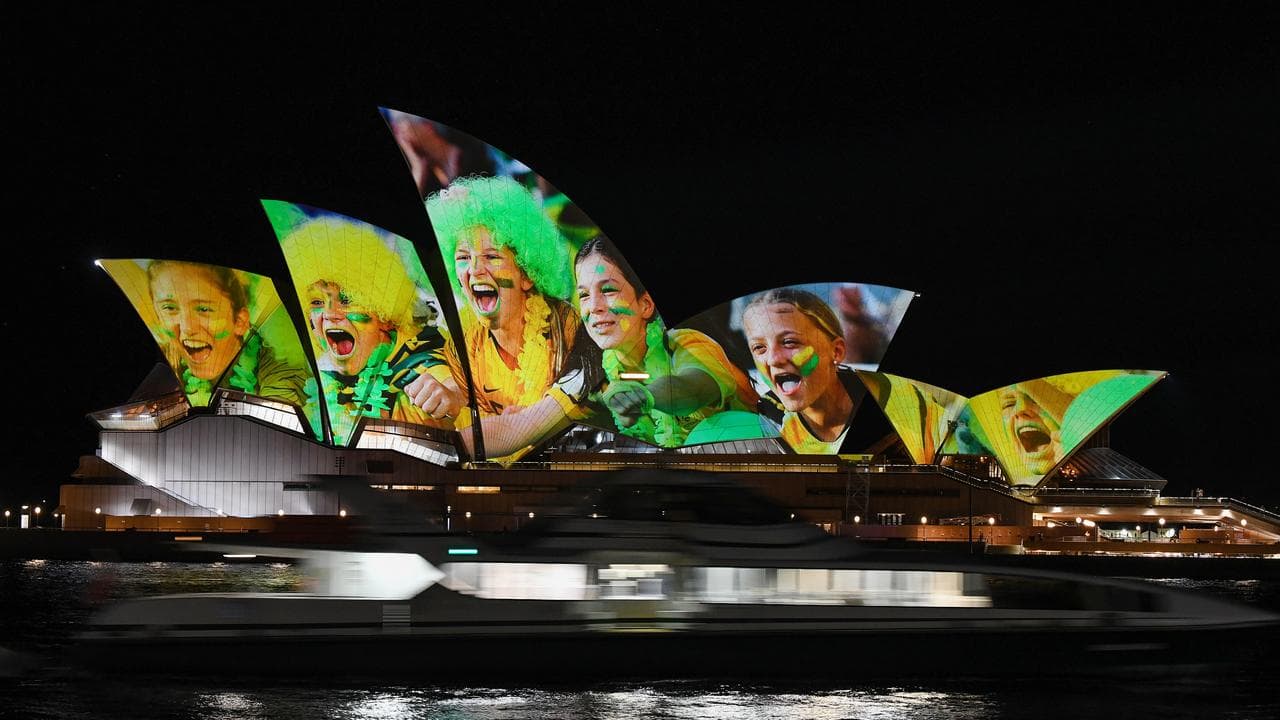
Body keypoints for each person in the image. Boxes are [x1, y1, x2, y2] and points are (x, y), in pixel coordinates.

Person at [423, 176, 581, 456]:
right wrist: (448, 399)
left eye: (491, 257)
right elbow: (460, 401)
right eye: (463, 258)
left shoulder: (567, 327)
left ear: (526, 274)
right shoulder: (465, 347)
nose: (474, 270)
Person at [278, 216, 455, 443]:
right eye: (317, 302)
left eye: (347, 300)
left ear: (385, 316)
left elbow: (448, 387)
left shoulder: (421, 369)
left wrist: (449, 395)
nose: (330, 313)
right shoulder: (324, 382)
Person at [575, 235, 758, 448]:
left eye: (608, 290)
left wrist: (647, 396)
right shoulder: (602, 375)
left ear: (645, 305)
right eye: (584, 295)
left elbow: (694, 388)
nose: (594, 307)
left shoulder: (686, 343)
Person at [146, 260, 309, 408]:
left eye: (203, 309)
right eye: (169, 308)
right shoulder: (162, 359)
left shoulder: (276, 361)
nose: (187, 328)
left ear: (240, 321)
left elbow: (281, 408)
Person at [741, 288, 861, 454]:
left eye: (789, 342)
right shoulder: (767, 418)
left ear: (836, 351)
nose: (773, 359)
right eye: (759, 347)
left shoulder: (882, 396)